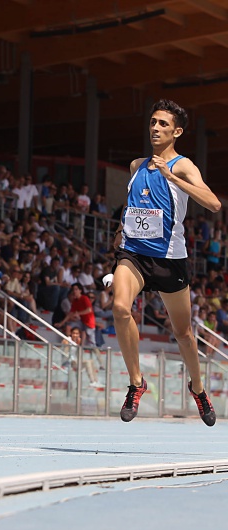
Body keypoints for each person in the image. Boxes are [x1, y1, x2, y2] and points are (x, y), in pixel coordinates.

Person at [112, 99, 221, 426]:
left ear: (177, 132)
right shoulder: (136, 165)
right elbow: (133, 204)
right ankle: (136, 383)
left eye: (163, 124)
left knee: (183, 333)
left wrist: (171, 177)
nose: (156, 128)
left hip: (169, 258)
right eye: (153, 122)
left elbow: (214, 203)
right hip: (134, 253)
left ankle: (198, 389)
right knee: (120, 308)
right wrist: (119, 229)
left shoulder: (183, 166)